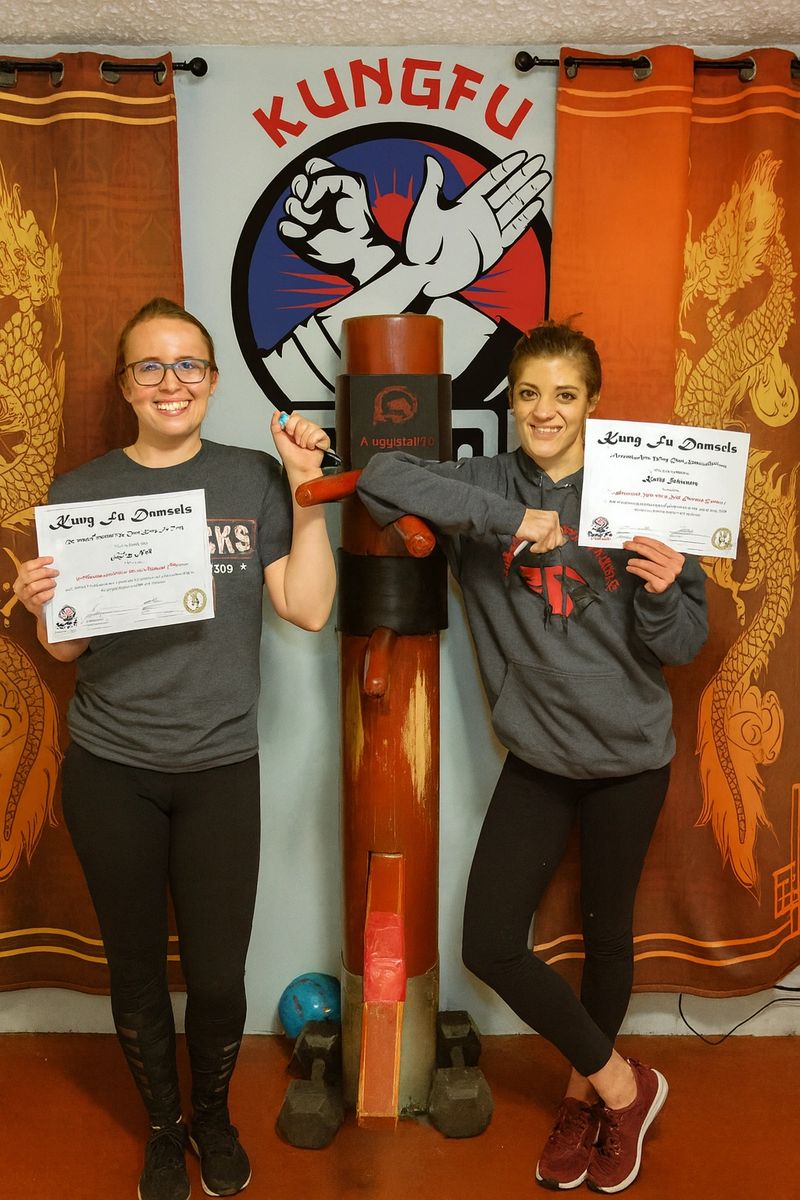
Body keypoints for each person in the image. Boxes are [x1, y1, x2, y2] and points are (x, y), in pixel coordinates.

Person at [355, 320, 707, 1194]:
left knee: (606, 932)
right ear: (509, 403)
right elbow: (379, 480)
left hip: (630, 753)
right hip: (541, 753)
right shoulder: (484, 483)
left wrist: (663, 594)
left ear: (592, 403)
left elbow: (687, 640)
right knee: (490, 940)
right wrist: (512, 517)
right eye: (528, 394)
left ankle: (585, 1096)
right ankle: (628, 1085)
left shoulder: (640, 490)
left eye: (565, 394)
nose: (545, 410)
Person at [13, 297, 336, 1200]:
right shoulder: (79, 491)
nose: (171, 382)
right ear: (124, 386)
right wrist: (46, 606)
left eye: (188, 365)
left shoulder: (250, 478)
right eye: (150, 367)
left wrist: (306, 496)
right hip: (111, 766)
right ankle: (162, 1127)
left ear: (213, 379)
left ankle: (215, 1117)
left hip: (221, 766)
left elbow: (307, 609)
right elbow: (70, 649)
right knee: (133, 968)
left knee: (220, 973)